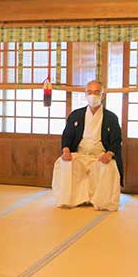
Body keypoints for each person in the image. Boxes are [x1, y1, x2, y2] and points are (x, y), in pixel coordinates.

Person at [52, 80, 122, 211]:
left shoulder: (111, 117)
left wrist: (109, 154)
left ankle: (101, 201)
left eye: (96, 92)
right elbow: (67, 135)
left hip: (99, 155)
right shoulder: (76, 115)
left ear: (103, 95)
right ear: (85, 94)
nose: (92, 95)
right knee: (64, 163)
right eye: (89, 92)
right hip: (80, 153)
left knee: (108, 166)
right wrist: (66, 150)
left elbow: (116, 140)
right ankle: (70, 199)